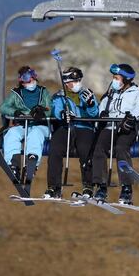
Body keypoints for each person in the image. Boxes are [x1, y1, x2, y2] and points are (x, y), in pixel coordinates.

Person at [91, 63, 139, 204]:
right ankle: (101, 186)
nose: (114, 81)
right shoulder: (111, 92)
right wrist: (102, 113)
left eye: (117, 78)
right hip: (110, 127)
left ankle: (126, 188)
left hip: (127, 128)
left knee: (121, 149)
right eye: (113, 78)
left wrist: (131, 118)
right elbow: (102, 106)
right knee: (98, 148)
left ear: (126, 80)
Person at [44, 66, 99, 200]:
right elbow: (56, 109)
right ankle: (54, 186)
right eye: (69, 82)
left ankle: (88, 185)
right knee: (55, 149)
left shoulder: (87, 94)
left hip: (84, 127)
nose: (72, 85)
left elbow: (94, 114)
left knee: (85, 150)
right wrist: (62, 113)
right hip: (66, 127)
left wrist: (91, 104)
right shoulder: (59, 96)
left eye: (75, 81)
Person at [0, 66, 52, 182]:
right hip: (22, 125)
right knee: (12, 134)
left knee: (36, 134)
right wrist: (15, 112)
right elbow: (3, 107)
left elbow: (50, 109)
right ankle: (13, 164)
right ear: (21, 81)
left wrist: (42, 112)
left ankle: (31, 162)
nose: (30, 81)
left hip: (40, 125)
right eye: (26, 78)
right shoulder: (16, 94)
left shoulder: (44, 92)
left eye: (32, 77)